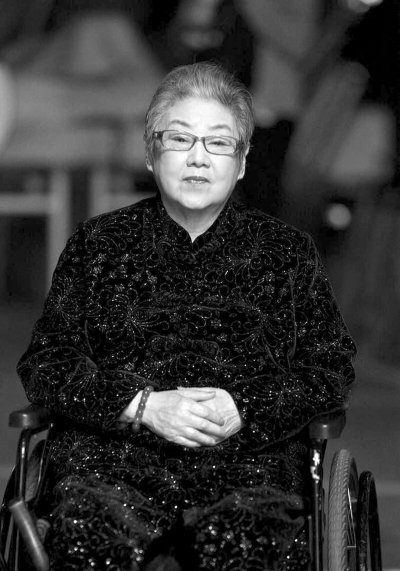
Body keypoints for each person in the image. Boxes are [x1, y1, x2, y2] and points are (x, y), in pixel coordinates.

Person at [17, 62, 356, 571]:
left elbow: (330, 367)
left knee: (250, 538)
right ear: (151, 153)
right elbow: (47, 363)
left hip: (249, 464)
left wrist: (245, 406)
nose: (199, 158)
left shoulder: (286, 252)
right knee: (89, 530)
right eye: (180, 139)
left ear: (241, 163)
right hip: (109, 461)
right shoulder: (98, 244)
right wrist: (142, 406)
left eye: (218, 142)